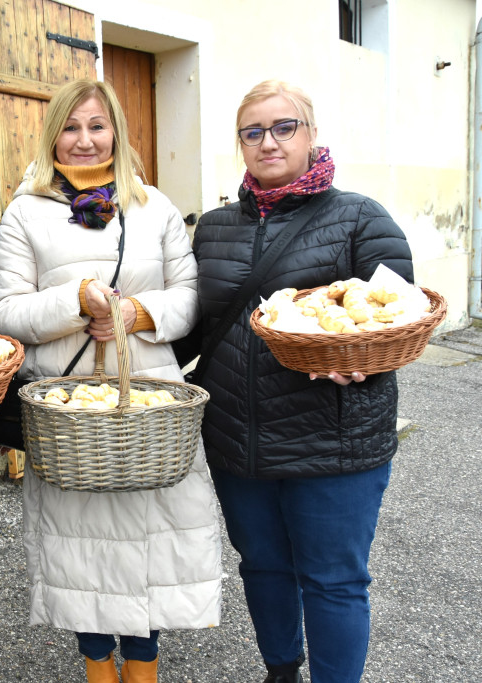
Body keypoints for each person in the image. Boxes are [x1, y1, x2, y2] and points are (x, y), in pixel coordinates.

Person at [0, 78, 222, 683]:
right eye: (71, 126)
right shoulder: (24, 211)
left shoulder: (155, 206)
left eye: (97, 125)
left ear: (116, 129)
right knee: (80, 550)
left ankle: (142, 668)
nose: (86, 139)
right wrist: (75, 301)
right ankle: (97, 667)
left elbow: (189, 299)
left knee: (153, 545)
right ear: (52, 133)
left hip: (151, 406)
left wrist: (135, 314)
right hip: (69, 413)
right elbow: (7, 312)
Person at [189, 80, 414, 683]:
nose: (269, 141)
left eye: (284, 127)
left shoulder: (360, 217)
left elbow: (399, 317)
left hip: (334, 438)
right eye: (253, 131)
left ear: (312, 135)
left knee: (334, 580)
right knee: (261, 566)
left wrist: (364, 358)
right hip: (240, 439)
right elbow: (195, 326)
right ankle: (280, 672)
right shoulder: (212, 228)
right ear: (239, 144)